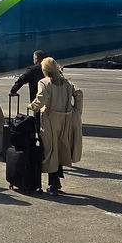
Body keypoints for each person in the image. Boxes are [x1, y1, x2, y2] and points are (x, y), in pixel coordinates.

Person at [28, 57, 83, 195]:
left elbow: (42, 98)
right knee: (60, 149)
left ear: (45, 70)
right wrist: (76, 111)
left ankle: (53, 184)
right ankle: (56, 182)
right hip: (65, 120)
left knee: (50, 150)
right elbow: (79, 93)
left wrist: (32, 106)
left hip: (50, 120)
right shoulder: (66, 82)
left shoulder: (44, 82)